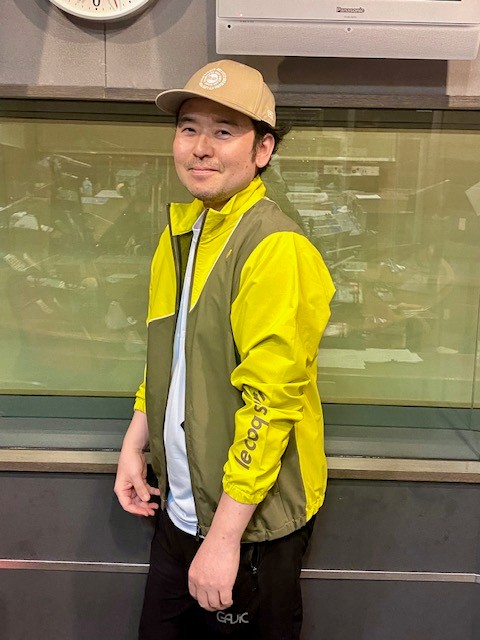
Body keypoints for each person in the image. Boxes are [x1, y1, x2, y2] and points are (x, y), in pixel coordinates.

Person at [114, 59, 335, 640]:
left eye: (224, 131)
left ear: (263, 149)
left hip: (248, 527)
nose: (201, 148)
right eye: (189, 128)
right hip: (179, 512)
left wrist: (225, 538)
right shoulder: (183, 232)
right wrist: (136, 442)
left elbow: (271, 402)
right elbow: (169, 358)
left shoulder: (275, 247)